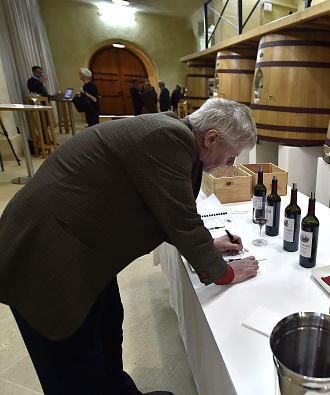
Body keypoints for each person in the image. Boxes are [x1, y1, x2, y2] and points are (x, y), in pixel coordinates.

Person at [0, 98, 259, 395]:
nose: (231, 165)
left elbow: (166, 208)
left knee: (109, 326)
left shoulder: (172, 131)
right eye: (231, 156)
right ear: (211, 138)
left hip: (84, 248)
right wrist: (225, 273)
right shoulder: (169, 138)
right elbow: (182, 220)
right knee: (74, 359)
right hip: (48, 254)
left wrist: (211, 245)